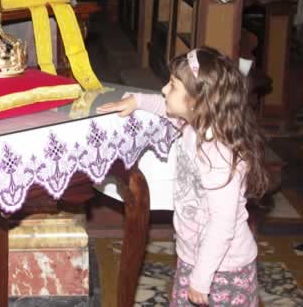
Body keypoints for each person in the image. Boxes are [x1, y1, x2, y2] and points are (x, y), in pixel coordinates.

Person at [97, 46, 269, 306]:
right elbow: (164, 106)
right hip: (194, 256)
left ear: (198, 102)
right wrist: (137, 101)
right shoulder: (194, 123)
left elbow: (223, 224)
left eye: (173, 85)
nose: (165, 89)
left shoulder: (218, 152)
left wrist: (201, 278)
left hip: (224, 269)